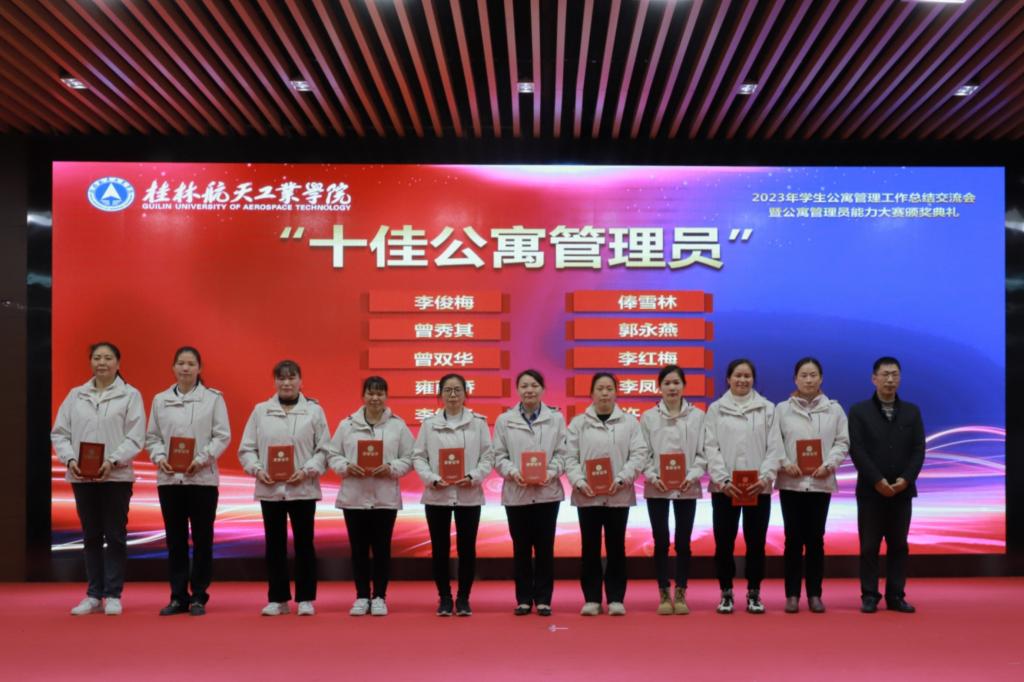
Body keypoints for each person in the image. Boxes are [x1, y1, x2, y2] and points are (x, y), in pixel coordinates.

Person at [51, 341, 145, 616]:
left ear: (118, 363)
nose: (101, 363)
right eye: (96, 358)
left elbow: (135, 437)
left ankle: (113, 594)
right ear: (90, 362)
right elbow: (60, 433)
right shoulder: (76, 395)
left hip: (116, 476)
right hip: (82, 476)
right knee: (90, 535)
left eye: (107, 358)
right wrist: (70, 459)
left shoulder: (130, 395)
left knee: (115, 535)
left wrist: (112, 460)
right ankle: (93, 595)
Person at [238, 360, 329, 616]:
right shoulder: (261, 411)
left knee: (304, 545)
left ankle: (306, 598)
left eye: (291, 378)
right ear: (275, 382)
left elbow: (324, 450)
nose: (286, 383)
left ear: (301, 381)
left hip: (303, 488)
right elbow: (247, 448)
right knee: (274, 545)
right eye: (281, 378)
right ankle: (277, 599)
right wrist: (257, 469)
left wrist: (307, 470)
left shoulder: (314, 411)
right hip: (270, 489)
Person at [145, 346, 231, 616]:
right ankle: (178, 596)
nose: (185, 368)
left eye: (191, 364)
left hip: (202, 480)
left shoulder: (213, 399)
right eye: (180, 363)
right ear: (173, 367)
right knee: (175, 540)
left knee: (203, 540)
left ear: (199, 368)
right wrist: (160, 457)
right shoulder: (160, 400)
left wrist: (202, 459)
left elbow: (222, 435)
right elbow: (152, 437)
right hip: (170, 480)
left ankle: (199, 596)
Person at [564, 372, 648, 617]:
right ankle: (591, 598)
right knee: (589, 548)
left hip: (618, 495)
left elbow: (639, 454)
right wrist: (579, 481)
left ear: (616, 393)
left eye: (609, 388)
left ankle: (615, 598)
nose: (604, 393)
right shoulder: (578, 423)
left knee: (616, 547)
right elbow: (569, 457)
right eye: (600, 388)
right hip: (587, 495)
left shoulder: (630, 423)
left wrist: (622, 478)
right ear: (591, 393)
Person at [328, 376, 414, 617]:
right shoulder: (347, 425)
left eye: (380, 393)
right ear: (363, 396)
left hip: (384, 498)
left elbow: (411, 457)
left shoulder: (398, 426)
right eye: (370, 393)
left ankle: (379, 597)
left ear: (386, 396)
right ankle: (361, 596)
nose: (375, 398)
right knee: (358, 550)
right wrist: (346, 466)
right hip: (354, 497)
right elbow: (332, 454)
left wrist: (392, 467)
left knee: (382, 549)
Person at [769, 357, 848, 614]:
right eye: (803, 375)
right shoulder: (782, 409)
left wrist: (830, 464)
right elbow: (774, 440)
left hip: (819, 482)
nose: (809, 380)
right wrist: (784, 462)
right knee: (792, 540)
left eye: (813, 375)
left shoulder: (834, 409)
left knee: (816, 540)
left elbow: (842, 442)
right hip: (791, 483)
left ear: (821, 378)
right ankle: (792, 595)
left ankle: (815, 594)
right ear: (795, 379)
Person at [848, 356, 925, 614]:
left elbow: (918, 449)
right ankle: (870, 595)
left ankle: (896, 596)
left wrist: (906, 479)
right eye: (885, 374)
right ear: (874, 379)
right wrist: (877, 480)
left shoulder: (912, 412)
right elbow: (857, 450)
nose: (890, 379)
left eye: (894, 374)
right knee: (869, 546)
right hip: (871, 491)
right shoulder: (859, 411)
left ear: (900, 378)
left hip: (902, 491)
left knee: (899, 545)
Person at [412, 373, 493, 616]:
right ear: (439, 395)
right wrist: (432, 478)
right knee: (439, 549)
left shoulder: (478, 423)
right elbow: (419, 456)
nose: (453, 395)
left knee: (467, 548)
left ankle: (464, 598)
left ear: (466, 394)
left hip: (468, 493)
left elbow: (488, 456)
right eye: (448, 390)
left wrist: (473, 476)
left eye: (458, 390)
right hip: (438, 493)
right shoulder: (429, 424)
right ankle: (445, 598)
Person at [704, 358, 777, 615]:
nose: (742, 380)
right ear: (728, 379)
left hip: (758, 488)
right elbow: (710, 447)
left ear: (753, 379)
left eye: (747, 376)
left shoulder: (768, 409)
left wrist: (764, 478)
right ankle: (726, 592)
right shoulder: (716, 410)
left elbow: (775, 447)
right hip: (725, 489)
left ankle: (754, 592)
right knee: (724, 543)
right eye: (738, 375)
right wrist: (723, 480)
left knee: (756, 543)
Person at [491, 369, 566, 616]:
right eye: (524, 386)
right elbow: (498, 455)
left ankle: (543, 599)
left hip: (547, 493)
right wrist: (513, 473)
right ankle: (523, 599)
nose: (529, 390)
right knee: (521, 549)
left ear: (542, 389)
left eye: (534, 385)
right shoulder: (505, 420)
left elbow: (563, 453)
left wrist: (549, 473)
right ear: (518, 390)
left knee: (545, 548)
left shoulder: (556, 418)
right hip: (517, 493)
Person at [640, 365, 706, 615]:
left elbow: (703, 452)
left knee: (683, 541)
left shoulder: (698, 416)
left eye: (676, 382)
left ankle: (681, 591)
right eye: (667, 383)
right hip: (657, 486)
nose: (672, 387)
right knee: (660, 540)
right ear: (659, 387)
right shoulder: (648, 417)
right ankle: (663, 592)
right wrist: (652, 475)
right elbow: (642, 452)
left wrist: (692, 475)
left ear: (684, 386)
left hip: (687, 485)